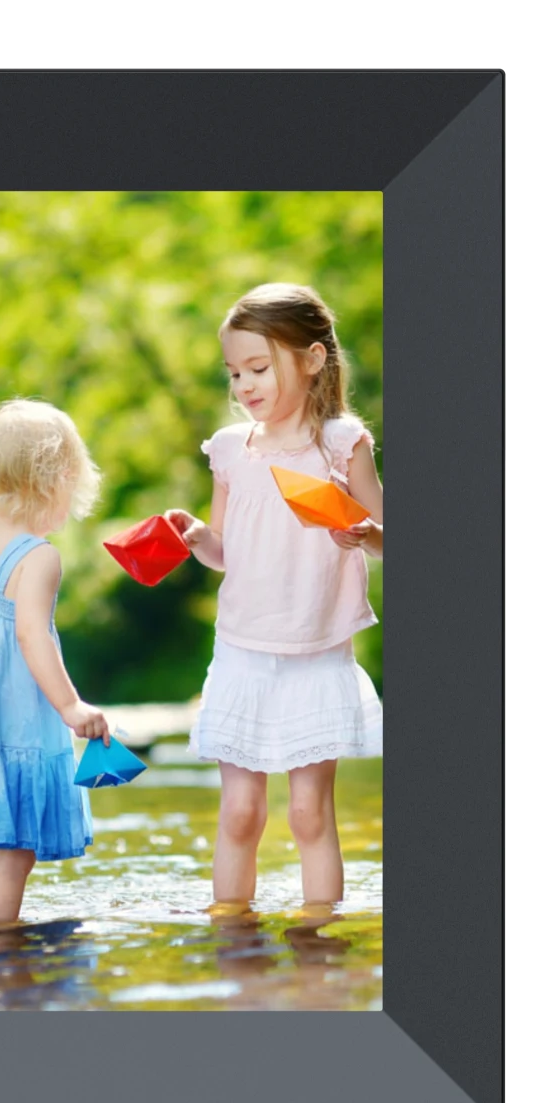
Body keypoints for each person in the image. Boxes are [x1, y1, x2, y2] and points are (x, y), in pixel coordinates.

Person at [161, 284, 383, 913]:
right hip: (242, 652)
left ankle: (319, 938)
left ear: (312, 359)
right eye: (234, 373)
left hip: (317, 651)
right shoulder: (231, 449)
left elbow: (388, 538)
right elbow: (225, 552)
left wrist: (363, 532)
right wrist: (197, 538)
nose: (244, 386)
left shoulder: (340, 442)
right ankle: (234, 938)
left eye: (258, 368)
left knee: (310, 814)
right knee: (239, 812)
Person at [0, 398, 113, 926]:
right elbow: (32, 634)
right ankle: (0, 956)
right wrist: (70, 706)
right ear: (56, 479)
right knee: (14, 854)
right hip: (11, 726)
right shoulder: (39, 555)